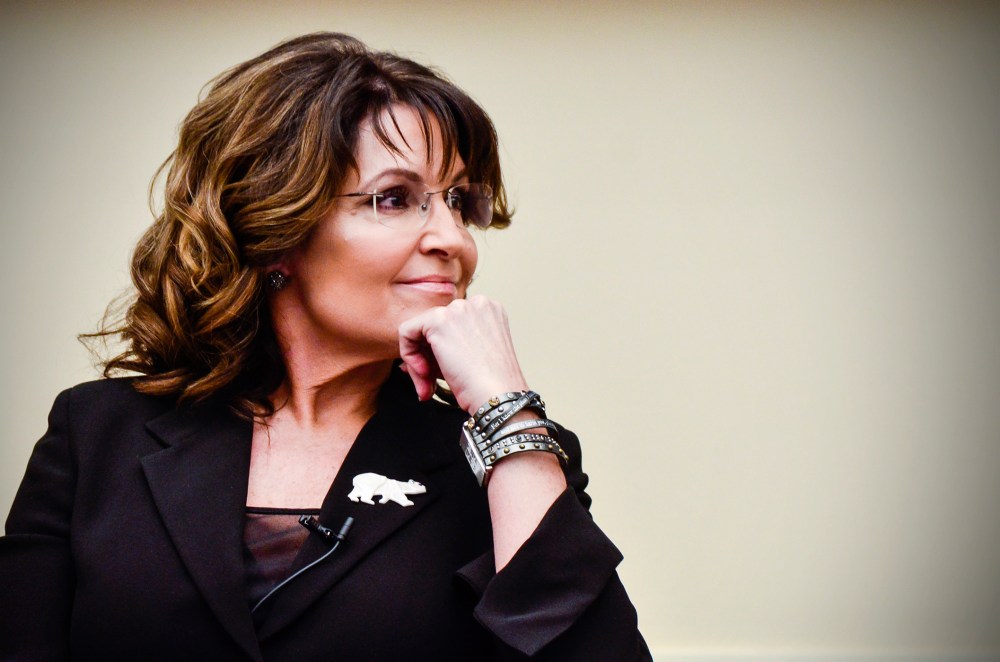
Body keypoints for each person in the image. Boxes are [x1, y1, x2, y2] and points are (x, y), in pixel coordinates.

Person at [0, 33, 650, 660]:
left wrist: (508, 412)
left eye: (461, 202)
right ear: (273, 230)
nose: (453, 239)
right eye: (396, 199)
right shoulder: (94, 434)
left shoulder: (513, 459)